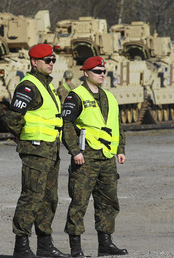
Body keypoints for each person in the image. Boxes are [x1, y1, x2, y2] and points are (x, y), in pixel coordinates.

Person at [4, 43, 70, 258]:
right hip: (36, 149)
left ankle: (45, 245)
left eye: (53, 60)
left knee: (49, 198)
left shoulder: (47, 85)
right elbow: (13, 118)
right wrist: (23, 139)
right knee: (31, 197)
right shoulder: (29, 86)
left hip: (51, 149)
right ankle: (21, 247)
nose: (51, 64)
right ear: (34, 62)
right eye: (47, 60)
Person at [61, 56, 128, 257]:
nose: (101, 75)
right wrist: (75, 152)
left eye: (103, 71)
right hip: (86, 157)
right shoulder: (76, 96)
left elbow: (117, 126)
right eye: (97, 71)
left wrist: (120, 149)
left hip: (107, 157)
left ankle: (105, 243)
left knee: (108, 202)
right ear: (86, 73)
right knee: (79, 202)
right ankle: (76, 249)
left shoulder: (109, 97)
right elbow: (67, 125)